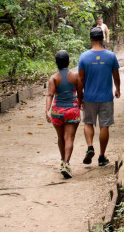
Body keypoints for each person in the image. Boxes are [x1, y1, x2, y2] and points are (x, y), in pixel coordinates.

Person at [78, 27, 121, 167]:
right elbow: (116, 76)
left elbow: (80, 80)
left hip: (89, 97)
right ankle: (102, 156)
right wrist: (118, 89)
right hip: (106, 98)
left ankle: (90, 147)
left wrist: (80, 97)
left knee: (88, 123)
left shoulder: (84, 57)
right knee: (104, 126)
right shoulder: (111, 56)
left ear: (90, 39)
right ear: (103, 38)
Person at [45, 50, 83, 179]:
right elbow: (79, 93)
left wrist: (47, 111)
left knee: (60, 138)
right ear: (68, 61)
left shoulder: (54, 78)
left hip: (57, 111)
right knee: (69, 138)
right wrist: (80, 104)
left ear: (56, 63)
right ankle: (66, 163)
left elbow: (50, 95)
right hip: (72, 110)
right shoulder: (75, 76)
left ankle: (63, 161)